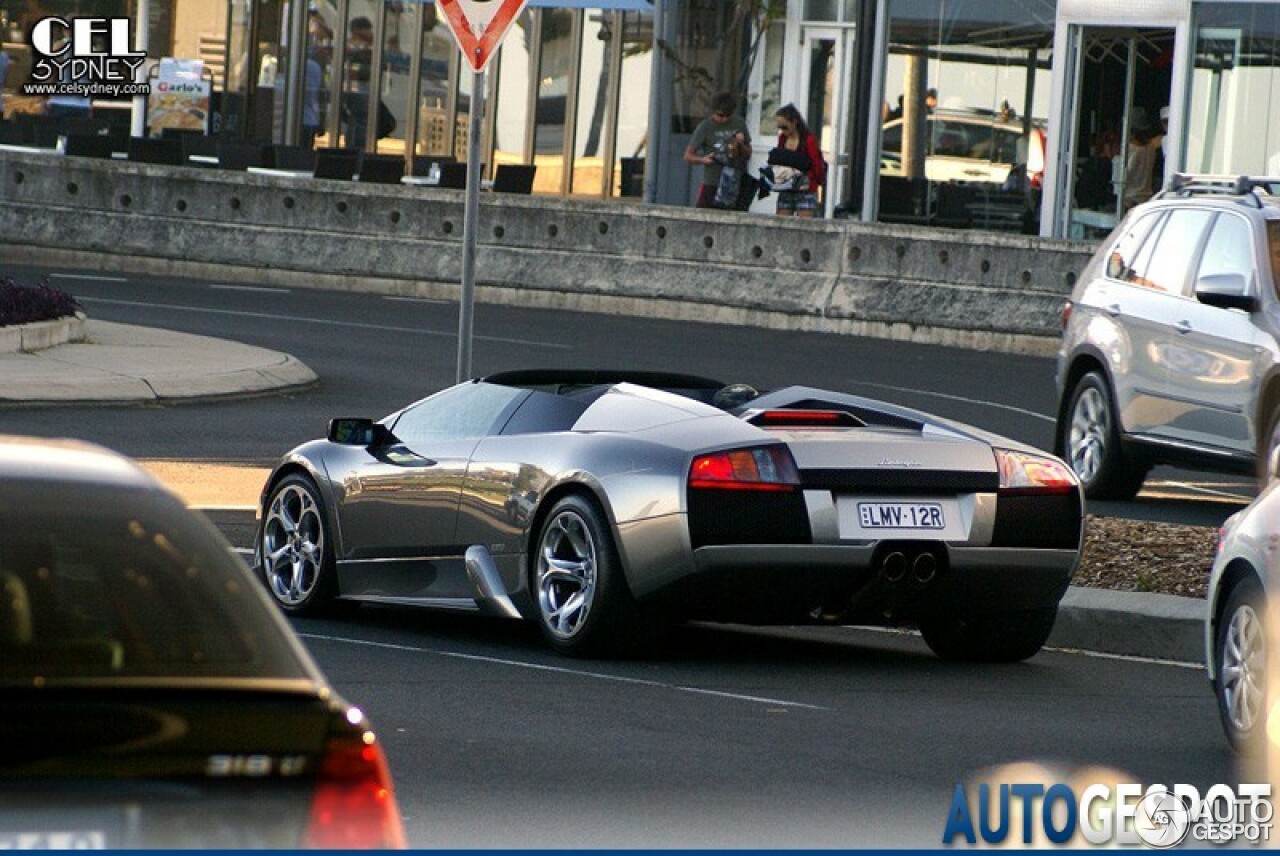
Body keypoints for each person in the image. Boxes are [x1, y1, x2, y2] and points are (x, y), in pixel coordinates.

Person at [683, 91, 751, 209]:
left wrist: (740, 144)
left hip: (735, 181)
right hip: (712, 182)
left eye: (728, 115)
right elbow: (688, 156)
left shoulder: (739, 123)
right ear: (713, 111)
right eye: (720, 115)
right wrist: (703, 160)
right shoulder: (705, 127)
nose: (724, 119)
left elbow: (748, 153)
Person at [767, 103, 825, 218]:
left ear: (794, 122)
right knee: (781, 223)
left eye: (785, 127)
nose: (783, 131)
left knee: (805, 224)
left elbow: (816, 165)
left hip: (806, 189)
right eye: (780, 128)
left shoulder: (808, 141)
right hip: (786, 186)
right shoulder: (782, 139)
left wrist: (816, 183)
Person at [341, 16, 374, 148]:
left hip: (359, 92)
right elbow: (360, 72)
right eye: (368, 30)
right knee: (359, 128)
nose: (371, 34)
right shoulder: (358, 49)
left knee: (357, 126)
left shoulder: (363, 49)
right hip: (357, 93)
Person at [1122, 107, 1161, 211]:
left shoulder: (1131, 149)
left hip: (1129, 201)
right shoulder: (1151, 147)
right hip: (1146, 199)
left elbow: (1125, 175)